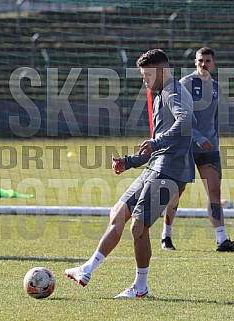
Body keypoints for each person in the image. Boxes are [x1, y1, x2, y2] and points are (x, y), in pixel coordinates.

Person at [65, 49, 196, 298]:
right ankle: (86, 269)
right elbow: (160, 142)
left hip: (170, 170)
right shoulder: (161, 93)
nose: (144, 80)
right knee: (118, 212)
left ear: (162, 71)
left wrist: (156, 144)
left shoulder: (173, 91)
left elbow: (186, 121)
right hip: (156, 166)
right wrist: (130, 161)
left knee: (138, 226)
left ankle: (140, 287)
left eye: (147, 75)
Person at [160, 47, 234, 252]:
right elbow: (180, 117)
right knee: (177, 191)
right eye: (200, 60)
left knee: (214, 192)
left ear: (213, 64)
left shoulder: (216, 87)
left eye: (207, 61)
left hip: (209, 149)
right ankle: (166, 235)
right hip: (186, 146)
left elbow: (214, 119)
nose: (203, 64)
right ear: (195, 62)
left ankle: (222, 240)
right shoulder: (185, 84)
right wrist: (198, 138)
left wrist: (214, 141)